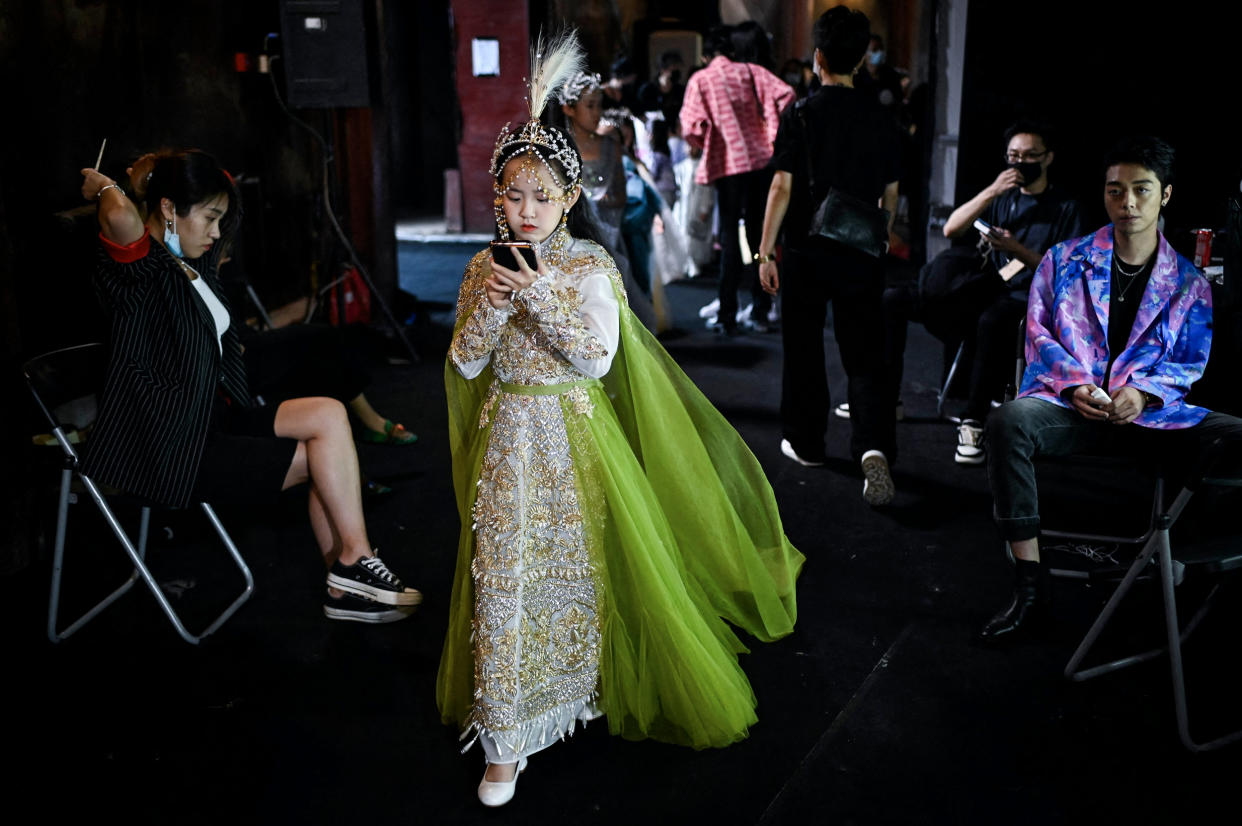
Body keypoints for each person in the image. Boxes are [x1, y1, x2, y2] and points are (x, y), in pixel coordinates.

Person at [436, 32, 803, 808]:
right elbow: (465, 364)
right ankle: (505, 737)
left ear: (568, 200)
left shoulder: (588, 266)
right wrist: (495, 308)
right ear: (497, 196)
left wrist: (535, 293)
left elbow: (598, 360)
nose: (525, 210)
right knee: (503, 574)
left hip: (573, 435)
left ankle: (582, 682)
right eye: (512, 194)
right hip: (508, 438)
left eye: (541, 196)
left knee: (583, 566)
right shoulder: (482, 265)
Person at [78, 150, 421, 624]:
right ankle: (349, 574)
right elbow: (117, 214)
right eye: (210, 218)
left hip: (215, 419)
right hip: (173, 446)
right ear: (169, 210)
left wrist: (151, 183)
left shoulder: (191, 268)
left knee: (327, 413)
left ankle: (351, 567)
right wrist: (105, 186)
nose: (217, 232)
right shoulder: (139, 271)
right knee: (324, 461)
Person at [978, 136, 1242, 642]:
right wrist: (1076, 384)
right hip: (1069, 409)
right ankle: (1030, 587)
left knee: (1235, 436)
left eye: (1142, 190)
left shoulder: (1188, 283)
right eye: (1115, 191)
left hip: (1150, 421)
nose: (1128, 204)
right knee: (1007, 421)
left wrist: (1142, 394)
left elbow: (1187, 363)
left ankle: (1177, 570)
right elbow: (1038, 333)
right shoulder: (1063, 260)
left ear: (1165, 195)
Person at [754, 6, 903, 506]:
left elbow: (781, 184)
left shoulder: (800, 113)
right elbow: (891, 193)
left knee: (803, 348)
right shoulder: (883, 115)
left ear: (818, 57)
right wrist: (882, 236)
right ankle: (873, 447)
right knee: (865, 353)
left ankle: (808, 443)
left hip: (805, 249)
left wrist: (763, 251)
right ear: (862, 59)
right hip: (861, 248)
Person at [931, 121, 1084, 464]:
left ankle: (973, 421)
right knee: (919, 300)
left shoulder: (1065, 207)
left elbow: (1066, 273)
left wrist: (1016, 249)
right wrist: (992, 191)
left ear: (1048, 158)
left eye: (1030, 156)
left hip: (1037, 300)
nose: (1020, 163)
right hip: (995, 287)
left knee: (991, 321)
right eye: (1014, 156)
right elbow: (952, 227)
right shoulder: (1005, 198)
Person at [680, 23, 794, 334]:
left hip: (727, 166)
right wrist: (769, 128)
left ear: (706, 57)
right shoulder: (749, 71)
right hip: (760, 160)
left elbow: (690, 126)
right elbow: (785, 94)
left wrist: (710, 139)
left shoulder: (701, 79)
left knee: (729, 239)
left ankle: (727, 313)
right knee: (760, 236)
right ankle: (760, 310)